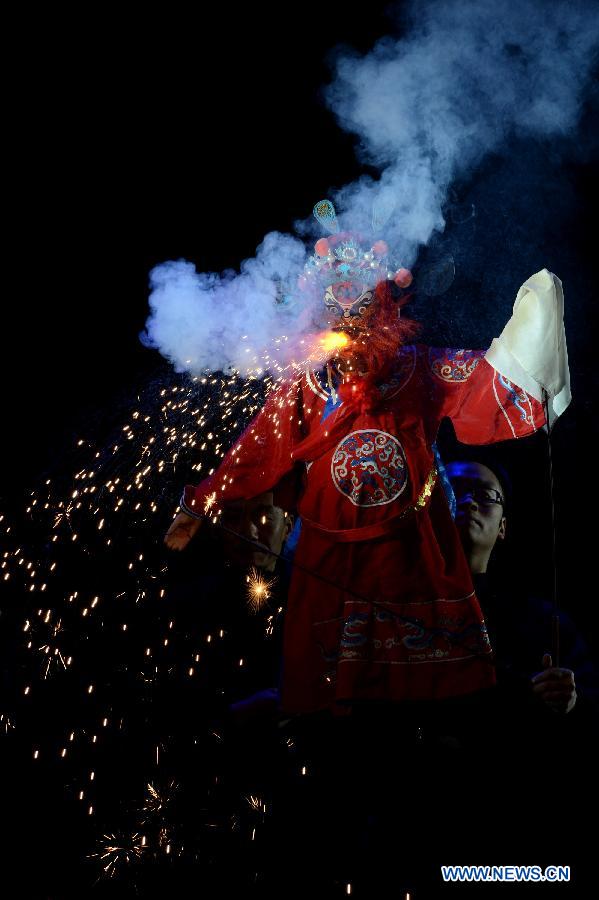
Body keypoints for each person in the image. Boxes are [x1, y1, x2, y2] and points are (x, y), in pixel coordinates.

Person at [165, 201, 570, 722]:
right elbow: (257, 448)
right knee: (331, 715)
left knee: (425, 710)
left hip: (410, 553)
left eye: (358, 305)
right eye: (333, 306)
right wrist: (200, 503)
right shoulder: (302, 383)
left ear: (383, 305)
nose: (346, 318)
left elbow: (484, 387)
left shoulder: (421, 369)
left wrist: (530, 331)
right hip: (327, 558)